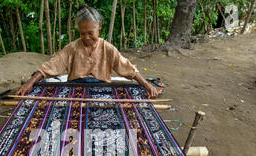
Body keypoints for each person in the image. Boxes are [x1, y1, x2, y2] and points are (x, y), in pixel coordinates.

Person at [15, 4, 159, 98]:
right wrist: (30, 82)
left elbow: (127, 68)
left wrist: (147, 84)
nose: (86, 37)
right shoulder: (72, 48)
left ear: (100, 26)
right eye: (82, 33)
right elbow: (52, 65)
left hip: (102, 90)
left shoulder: (107, 48)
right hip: (75, 90)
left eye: (90, 32)